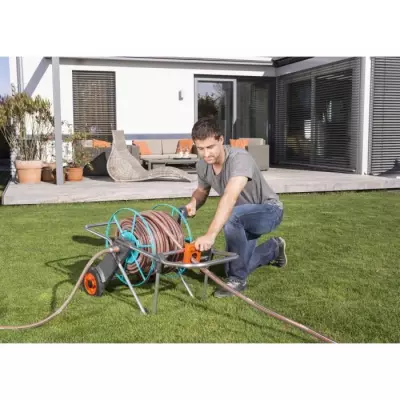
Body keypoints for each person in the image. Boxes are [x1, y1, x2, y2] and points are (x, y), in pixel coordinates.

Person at [184, 116, 287, 298]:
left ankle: (237, 280)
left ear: (221, 140)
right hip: (241, 217)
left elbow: (230, 196)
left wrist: (210, 235)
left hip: (268, 210)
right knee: (230, 264)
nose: (206, 154)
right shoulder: (203, 166)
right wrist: (193, 203)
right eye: (200, 149)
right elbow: (201, 191)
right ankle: (274, 248)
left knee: (233, 217)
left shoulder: (239, 158)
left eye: (210, 147)